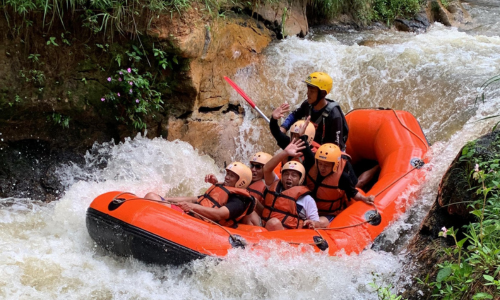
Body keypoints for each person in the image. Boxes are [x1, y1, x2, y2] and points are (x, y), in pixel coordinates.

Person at [144, 162, 255, 228]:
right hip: (193, 216)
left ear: (242, 181)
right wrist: (166, 199)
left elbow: (220, 214)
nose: (226, 177)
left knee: (151, 198)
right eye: (227, 174)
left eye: (231, 176)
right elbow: (196, 199)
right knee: (154, 197)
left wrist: (192, 207)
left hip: (202, 224)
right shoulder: (223, 188)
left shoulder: (239, 200)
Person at [260, 140, 326, 231]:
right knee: (252, 204)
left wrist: (313, 223)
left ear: (300, 179)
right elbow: (267, 169)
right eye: (286, 174)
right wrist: (285, 153)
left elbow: (316, 223)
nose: (289, 178)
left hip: (288, 235)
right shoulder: (274, 184)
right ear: (282, 176)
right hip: (265, 227)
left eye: (294, 175)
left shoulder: (306, 199)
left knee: (273, 223)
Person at [305, 143, 375, 228]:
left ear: (335, 165)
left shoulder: (343, 177)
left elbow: (352, 193)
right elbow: (305, 148)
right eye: (320, 164)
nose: (322, 168)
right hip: (309, 208)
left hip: (329, 213)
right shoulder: (312, 164)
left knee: (319, 222)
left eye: (326, 165)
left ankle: (314, 224)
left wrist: (364, 198)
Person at [278, 72, 349, 151]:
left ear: (322, 93)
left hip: (328, 153)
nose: (308, 93)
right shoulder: (308, 105)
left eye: (312, 91)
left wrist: (319, 151)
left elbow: (336, 146)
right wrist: (284, 127)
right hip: (311, 147)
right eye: (308, 89)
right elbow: (295, 115)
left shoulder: (334, 116)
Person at [241, 152, 272, 226]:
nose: (253, 169)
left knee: (250, 214)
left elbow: (268, 214)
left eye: (258, 167)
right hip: (241, 218)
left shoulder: (269, 187)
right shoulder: (244, 181)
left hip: (258, 222)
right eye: (252, 166)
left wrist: (256, 202)